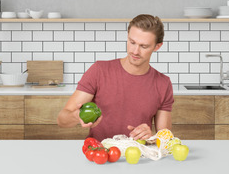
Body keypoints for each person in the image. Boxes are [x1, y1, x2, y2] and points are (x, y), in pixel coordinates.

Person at [57, 14, 174, 142]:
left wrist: (150, 136)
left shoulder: (163, 83)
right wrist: (76, 116)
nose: (135, 51)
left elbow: (165, 139)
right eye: (132, 42)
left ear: (157, 46)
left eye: (144, 46)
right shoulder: (99, 71)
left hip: (138, 157)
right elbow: (62, 120)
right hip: (100, 155)